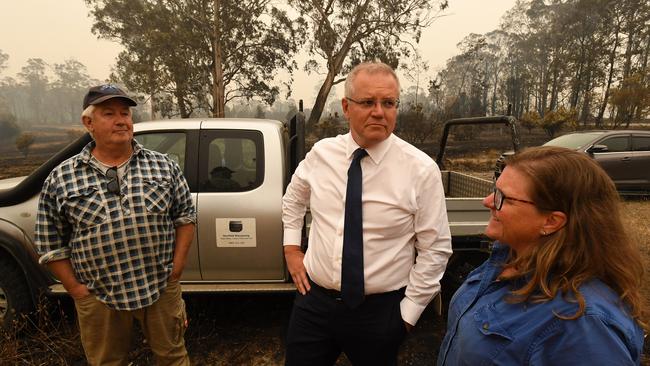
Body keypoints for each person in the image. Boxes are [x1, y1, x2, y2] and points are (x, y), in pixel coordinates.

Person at [282, 61, 452, 365]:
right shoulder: (322, 155)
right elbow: (293, 200)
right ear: (346, 107)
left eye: (388, 103)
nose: (379, 111)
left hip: (381, 313)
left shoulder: (420, 170)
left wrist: (408, 314)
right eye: (368, 102)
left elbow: (435, 248)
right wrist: (292, 249)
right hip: (315, 303)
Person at [438, 146, 647, 365]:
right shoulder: (507, 258)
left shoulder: (583, 325)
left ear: (551, 221)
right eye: (494, 189)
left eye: (504, 198)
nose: (487, 201)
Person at [35, 84, 196, 366]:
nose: (121, 120)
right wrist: (76, 290)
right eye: (109, 113)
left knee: (173, 357)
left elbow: (185, 216)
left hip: (159, 286)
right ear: (89, 123)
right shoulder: (62, 177)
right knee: (107, 361)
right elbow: (50, 243)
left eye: (125, 113)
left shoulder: (163, 166)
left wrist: (176, 269)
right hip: (98, 295)